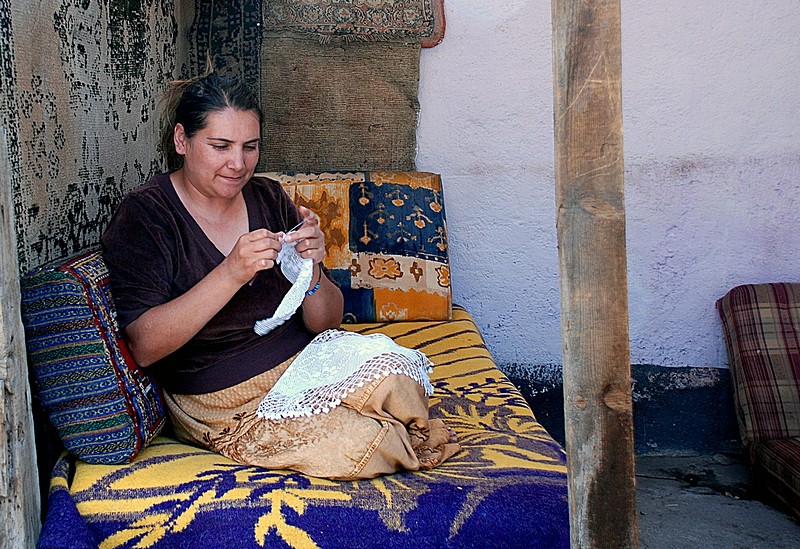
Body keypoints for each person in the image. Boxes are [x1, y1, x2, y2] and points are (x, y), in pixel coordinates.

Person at [101, 72, 460, 480]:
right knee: (364, 444)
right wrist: (231, 273)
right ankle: (391, 435)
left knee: (398, 376)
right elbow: (145, 346)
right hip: (222, 397)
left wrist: (312, 267)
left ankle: (388, 426)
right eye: (220, 146)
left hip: (301, 363)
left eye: (249, 147)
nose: (238, 164)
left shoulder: (267, 196)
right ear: (182, 140)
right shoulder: (147, 215)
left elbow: (326, 323)